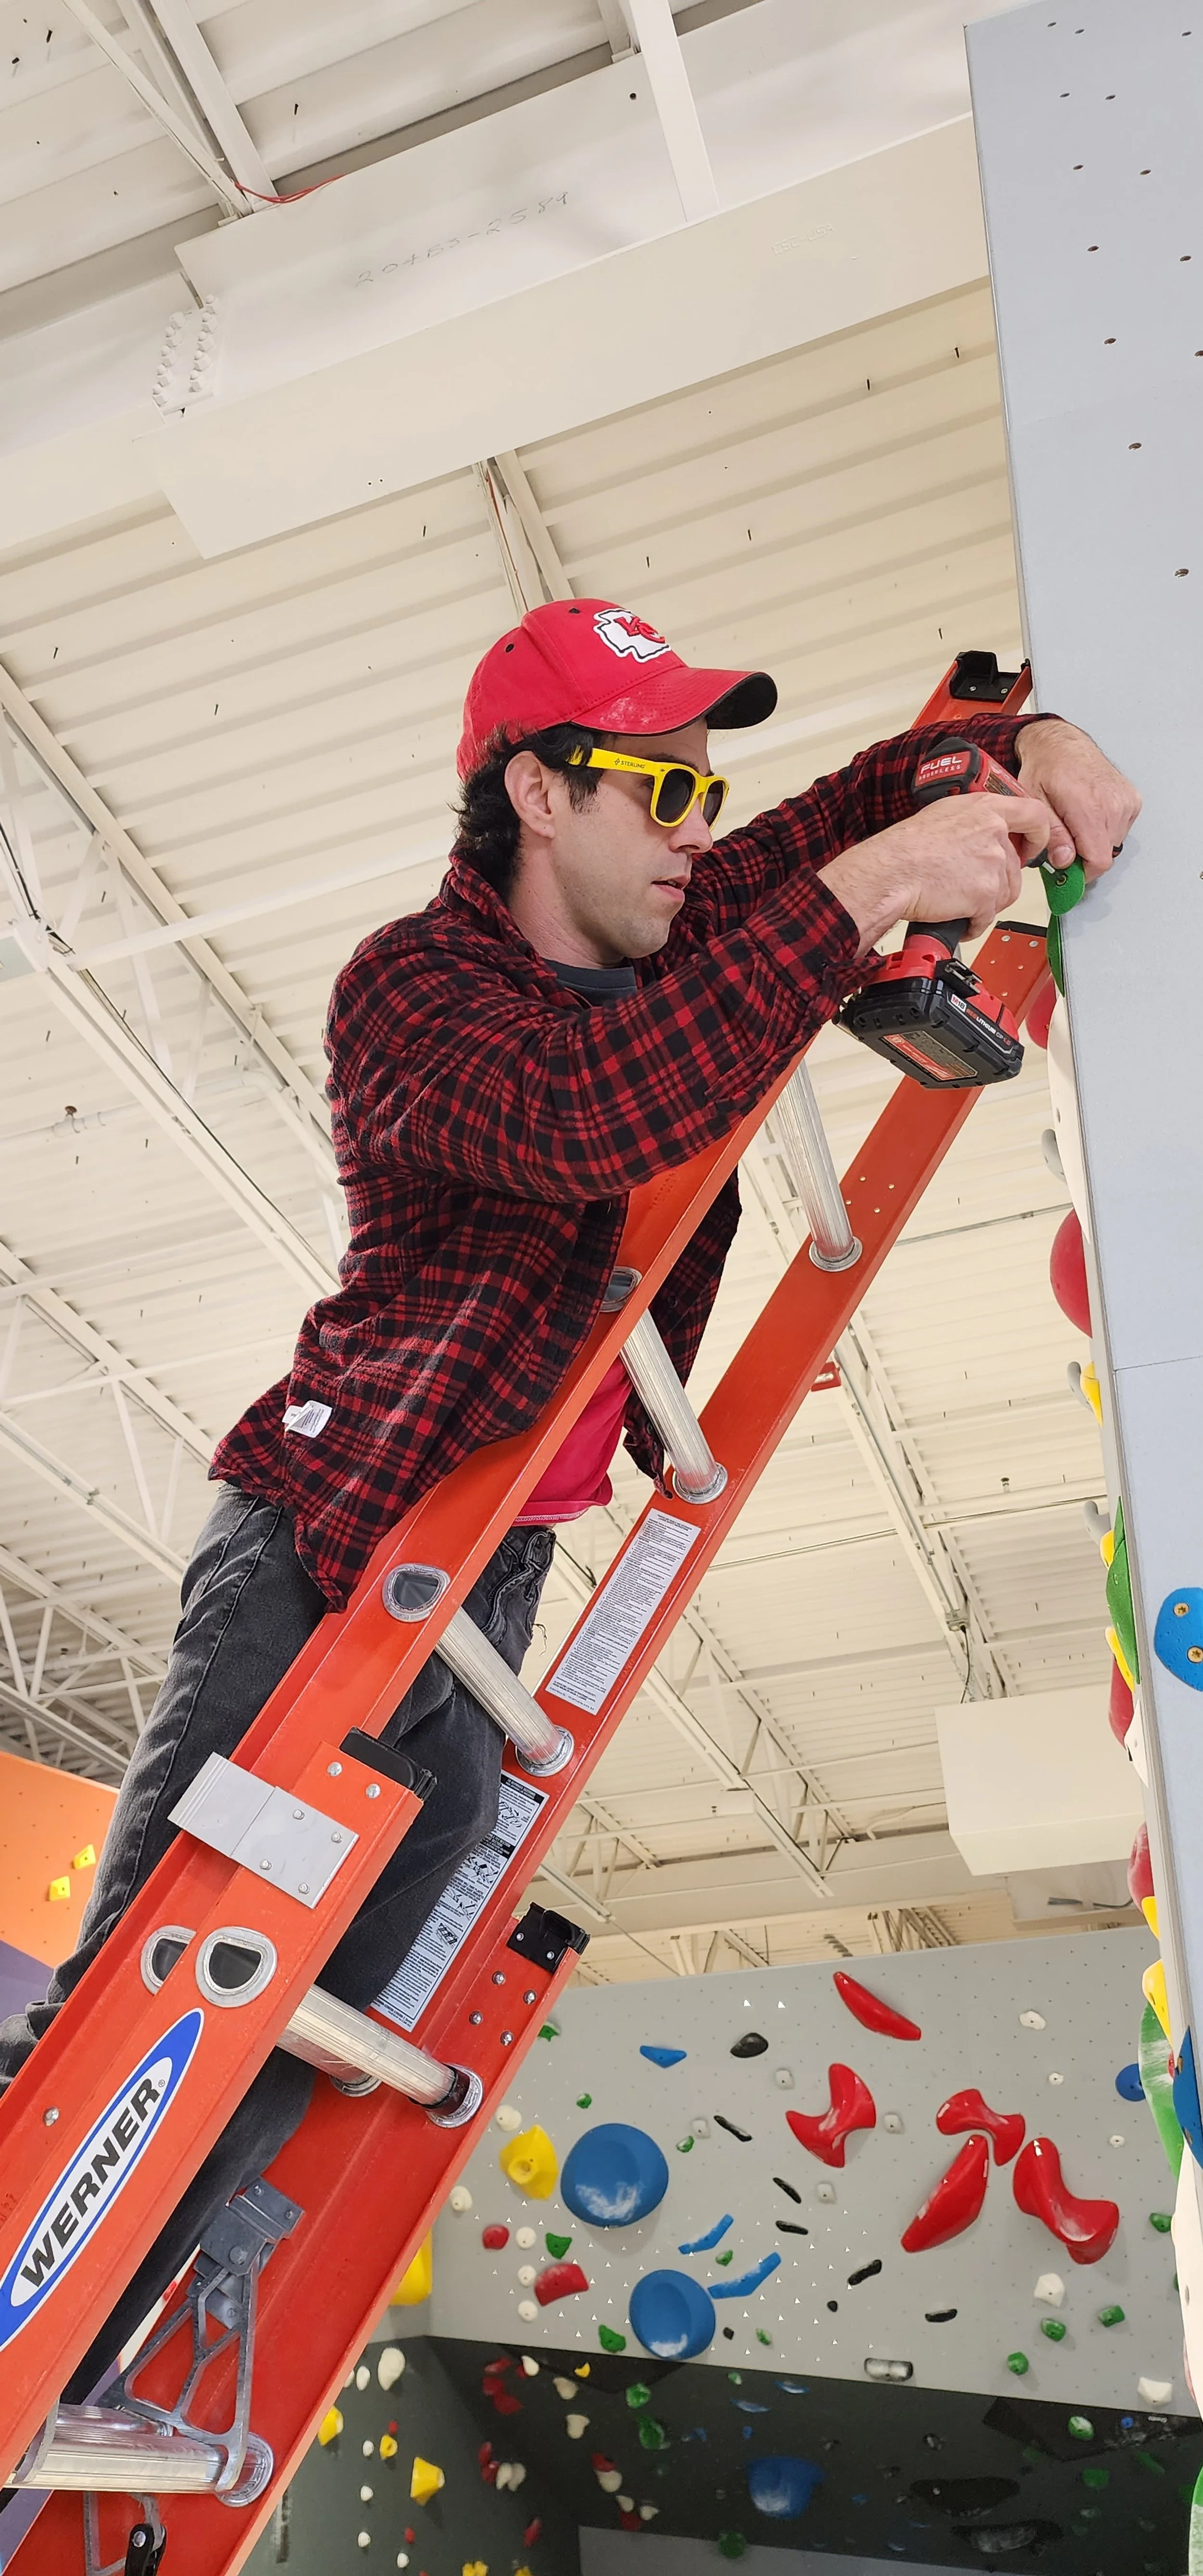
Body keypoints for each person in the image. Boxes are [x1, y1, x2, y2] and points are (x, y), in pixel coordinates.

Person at [0, 597, 1138, 2396]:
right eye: (651, 784)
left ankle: (84, 2352)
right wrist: (863, 896)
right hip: (331, 1537)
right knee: (174, 1968)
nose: (698, 824)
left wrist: (1027, 756)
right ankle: (21, 2306)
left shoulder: (676, 922)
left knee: (335, 1998)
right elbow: (589, 1116)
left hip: (489, 1575)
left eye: (704, 785)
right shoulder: (415, 986)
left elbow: (843, 806)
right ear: (537, 789)